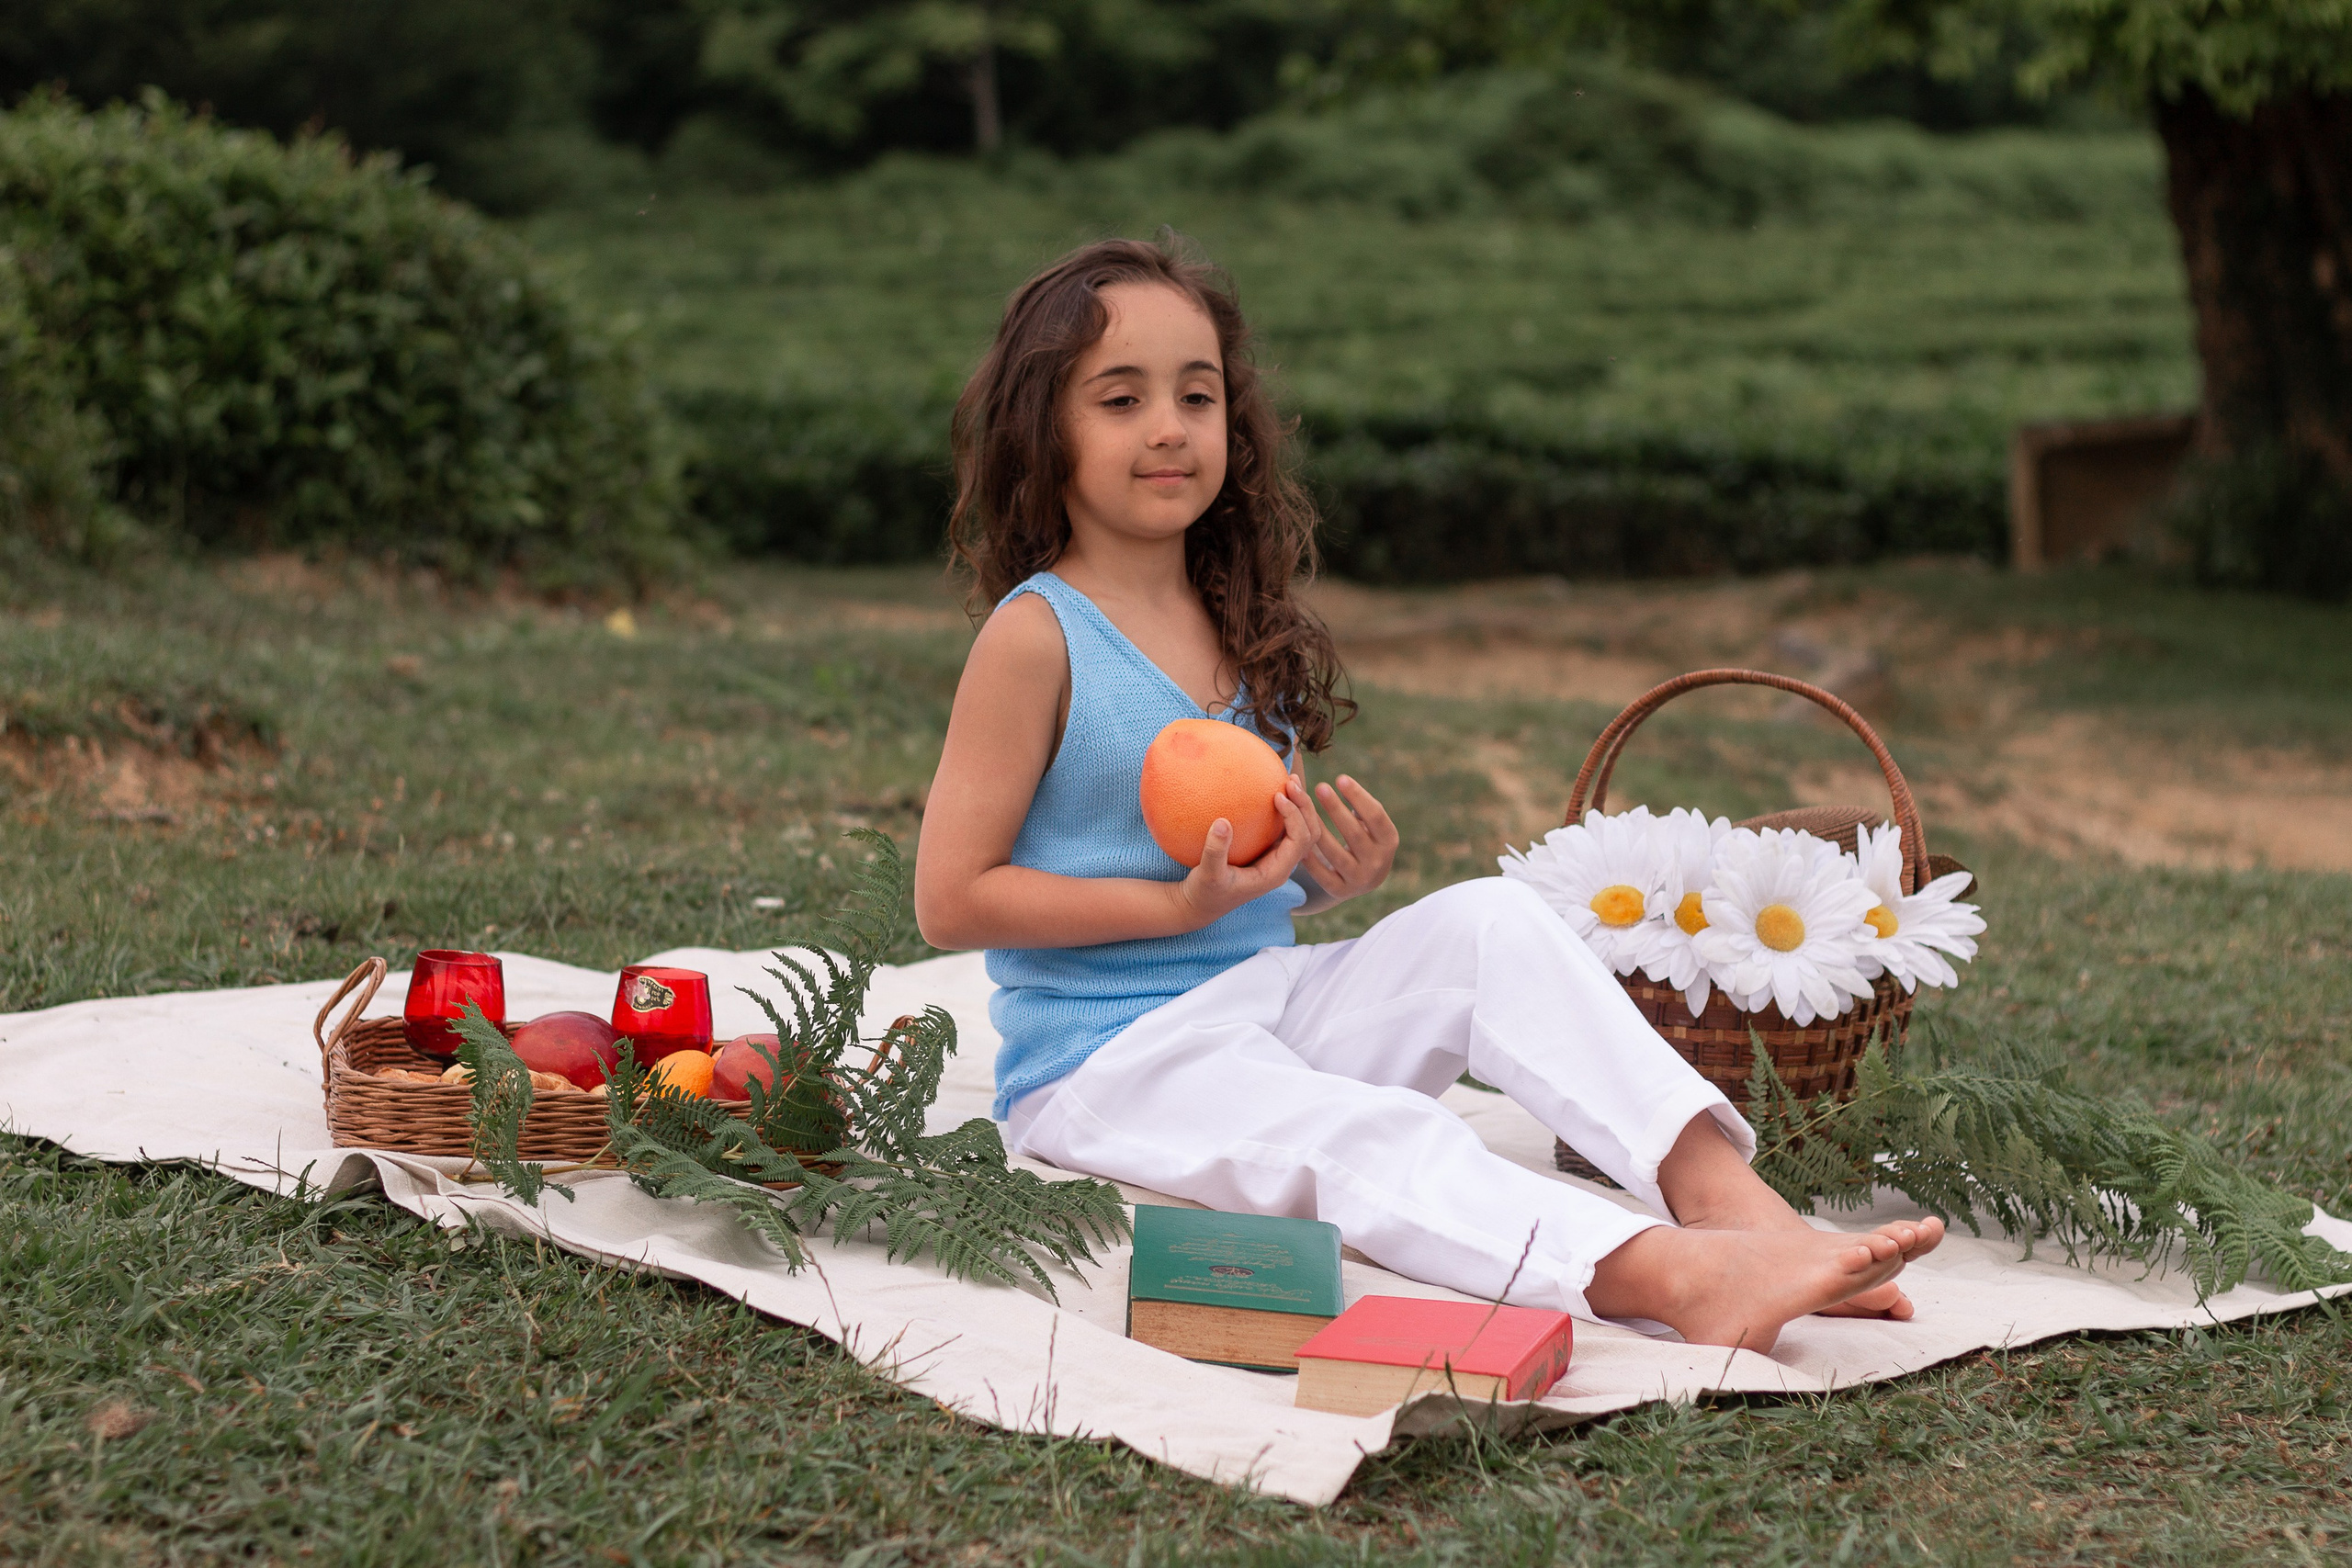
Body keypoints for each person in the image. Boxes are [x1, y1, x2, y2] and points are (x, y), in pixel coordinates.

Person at [911, 235, 1941, 1352]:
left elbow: (1232, 868)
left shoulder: (1230, 618)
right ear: (1042, 429)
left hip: (1264, 997)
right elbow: (951, 900)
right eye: (1120, 399)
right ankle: (1668, 1279)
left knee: (1492, 923)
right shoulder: (1036, 636)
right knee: (1372, 1135)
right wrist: (1173, 915)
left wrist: (1318, 880)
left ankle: (1738, 1210)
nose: (1168, 426)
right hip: (1115, 1062)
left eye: (1195, 395)